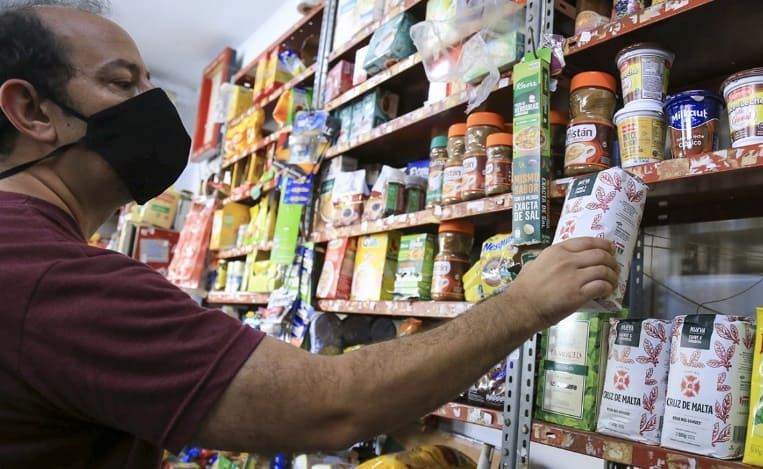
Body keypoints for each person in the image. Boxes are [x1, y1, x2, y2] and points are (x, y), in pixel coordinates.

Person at [0, 1, 619, 468]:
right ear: (31, 111)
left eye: (148, 82)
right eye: (122, 83)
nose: (153, 103)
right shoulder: (49, 276)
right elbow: (329, 405)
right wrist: (525, 302)